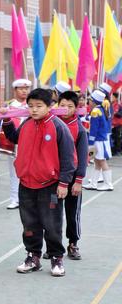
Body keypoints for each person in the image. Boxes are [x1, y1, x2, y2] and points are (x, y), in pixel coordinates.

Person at [0, 88, 76, 277]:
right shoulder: (26, 123)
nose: (34, 110)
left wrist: (64, 183)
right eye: (31, 106)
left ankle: (56, 258)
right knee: (29, 224)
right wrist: (7, 119)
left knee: (52, 224)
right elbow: (13, 138)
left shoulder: (58, 127)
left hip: (50, 184)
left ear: (50, 106)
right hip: (26, 183)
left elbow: (69, 157)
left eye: (38, 106)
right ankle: (33, 256)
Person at [54, 91, 88, 261]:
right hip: (53, 179)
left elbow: (82, 156)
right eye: (62, 105)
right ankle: (53, 245)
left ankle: (73, 243)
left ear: (76, 108)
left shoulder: (79, 129)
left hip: (73, 179)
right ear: (56, 105)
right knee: (52, 210)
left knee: (72, 212)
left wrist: (79, 180)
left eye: (70, 106)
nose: (65, 109)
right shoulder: (51, 124)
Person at [0, 78, 32, 210]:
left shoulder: (32, 105)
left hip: (30, 143)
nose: (24, 91)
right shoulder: (9, 106)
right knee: (14, 173)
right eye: (21, 88)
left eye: (26, 88)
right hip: (15, 143)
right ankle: (14, 198)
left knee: (30, 172)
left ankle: (27, 199)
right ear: (15, 90)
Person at [83, 90, 114, 191]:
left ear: (94, 101)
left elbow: (94, 129)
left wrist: (90, 142)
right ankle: (93, 183)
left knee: (101, 161)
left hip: (97, 140)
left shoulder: (96, 111)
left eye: (90, 100)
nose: (89, 102)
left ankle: (108, 184)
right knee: (97, 161)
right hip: (100, 139)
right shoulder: (100, 109)